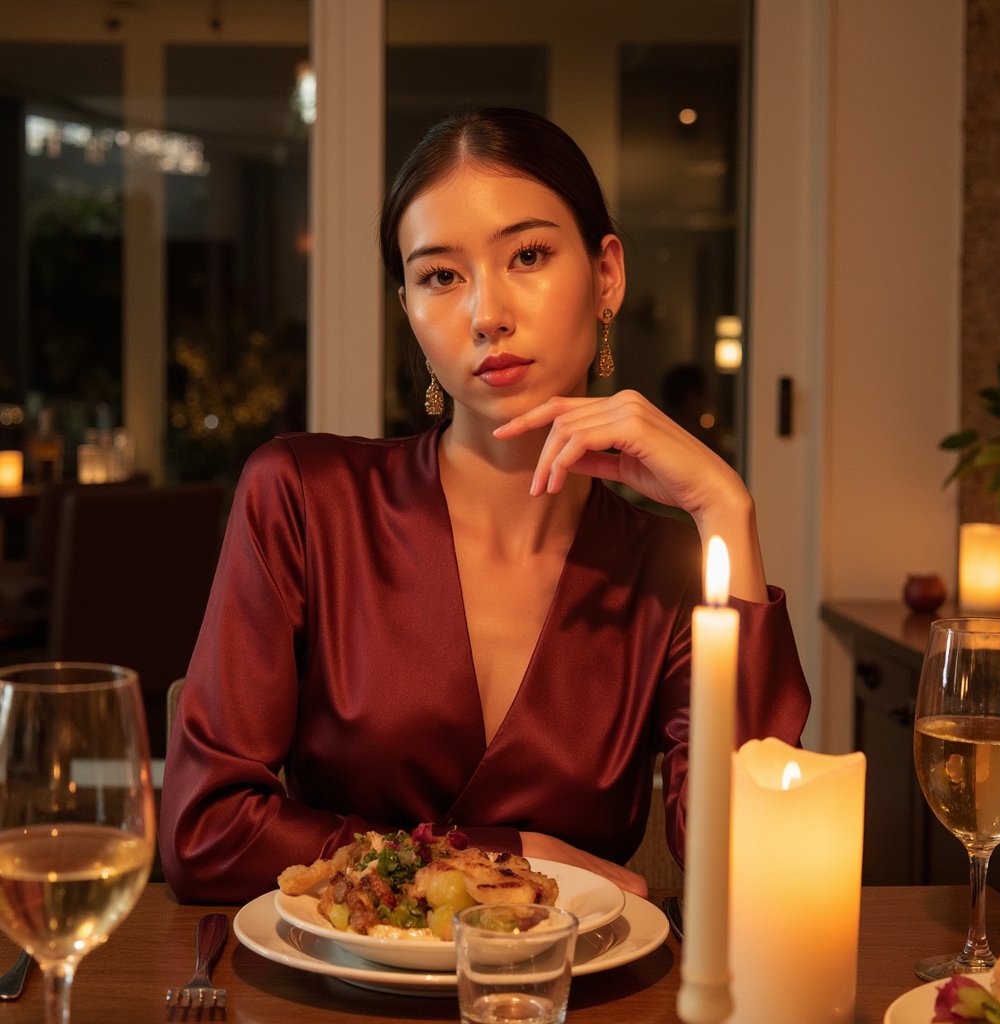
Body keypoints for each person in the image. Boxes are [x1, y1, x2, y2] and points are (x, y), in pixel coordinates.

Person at [159, 108, 810, 905]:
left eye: (528, 255)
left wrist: (726, 510)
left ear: (607, 275)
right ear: (408, 308)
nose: (486, 314)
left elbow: (744, 870)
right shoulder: (303, 497)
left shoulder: (667, 574)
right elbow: (205, 831)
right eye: (440, 276)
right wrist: (498, 859)